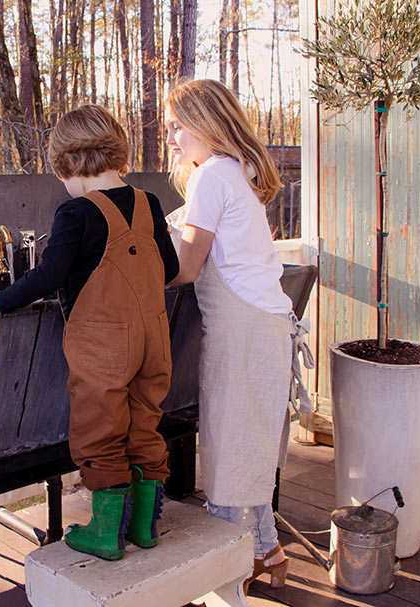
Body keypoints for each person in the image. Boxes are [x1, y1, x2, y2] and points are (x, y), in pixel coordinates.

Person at [0, 104, 180, 561]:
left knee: (101, 428)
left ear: (69, 161)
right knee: (145, 421)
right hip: (154, 339)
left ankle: (104, 534)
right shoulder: (150, 202)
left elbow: (48, 276)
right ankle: (145, 527)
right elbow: (172, 268)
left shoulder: (75, 212)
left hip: (104, 345)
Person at [164, 79, 292, 592]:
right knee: (249, 445)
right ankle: (267, 553)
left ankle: (225, 571)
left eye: (177, 126)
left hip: (242, 330)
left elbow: (187, 268)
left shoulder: (212, 176)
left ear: (206, 123)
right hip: (266, 325)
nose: (172, 138)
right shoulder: (237, 170)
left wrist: (132, 277)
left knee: (227, 445)